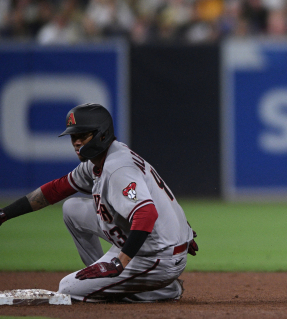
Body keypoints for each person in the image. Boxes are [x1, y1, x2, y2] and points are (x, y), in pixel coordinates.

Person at [0, 103, 198, 302]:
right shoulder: (99, 159)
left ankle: (162, 290)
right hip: (146, 243)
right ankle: (106, 278)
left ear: (102, 134)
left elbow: (147, 214)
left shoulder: (117, 168)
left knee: (68, 288)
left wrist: (119, 263)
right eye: (73, 137)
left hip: (157, 257)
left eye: (82, 135)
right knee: (72, 208)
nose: (76, 143)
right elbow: (55, 190)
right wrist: (5, 214)